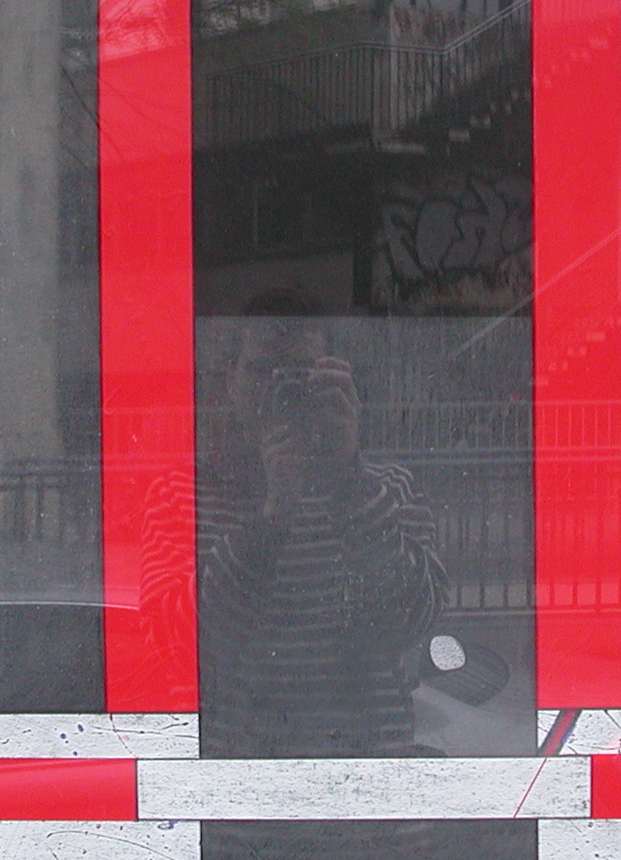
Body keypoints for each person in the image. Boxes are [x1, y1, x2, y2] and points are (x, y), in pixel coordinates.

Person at [192, 293, 447, 756]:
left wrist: (347, 480)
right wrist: (275, 514)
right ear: (230, 380)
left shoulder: (389, 488)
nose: (282, 389)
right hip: (245, 772)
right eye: (262, 372)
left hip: (366, 767)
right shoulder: (186, 498)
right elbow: (196, 640)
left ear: (338, 382)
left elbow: (413, 621)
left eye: (302, 373)